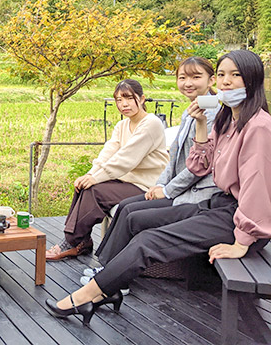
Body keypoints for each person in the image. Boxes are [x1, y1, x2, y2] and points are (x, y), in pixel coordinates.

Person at [45, 50, 271, 326]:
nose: (225, 82)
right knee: (137, 220)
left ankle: (87, 297)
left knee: (147, 242)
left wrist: (242, 242)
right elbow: (201, 163)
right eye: (222, 74)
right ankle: (108, 284)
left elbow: (258, 189)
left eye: (235, 75)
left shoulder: (258, 127)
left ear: (253, 80)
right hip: (218, 207)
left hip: (239, 220)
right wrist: (201, 123)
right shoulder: (226, 120)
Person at [82, 57, 220, 285]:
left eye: (196, 77)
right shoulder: (190, 111)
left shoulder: (214, 115)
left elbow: (199, 167)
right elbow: (174, 156)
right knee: (126, 206)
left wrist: (167, 191)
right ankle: (108, 269)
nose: (188, 83)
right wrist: (161, 184)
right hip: (178, 189)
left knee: (131, 214)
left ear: (211, 80)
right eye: (182, 77)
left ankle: (111, 277)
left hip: (197, 195)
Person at [46, 79, 169, 261]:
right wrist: (90, 174)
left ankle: (72, 242)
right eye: (118, 100)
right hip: (124, 181)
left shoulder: (151, 123)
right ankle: (81, 241)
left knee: (95, 191)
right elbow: (108, 153)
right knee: (83, 185)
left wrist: (97, 178)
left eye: (128, 98)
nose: (123, 104)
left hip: (145, 185)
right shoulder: (122, 126)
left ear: (142, 99)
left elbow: (126, 158)